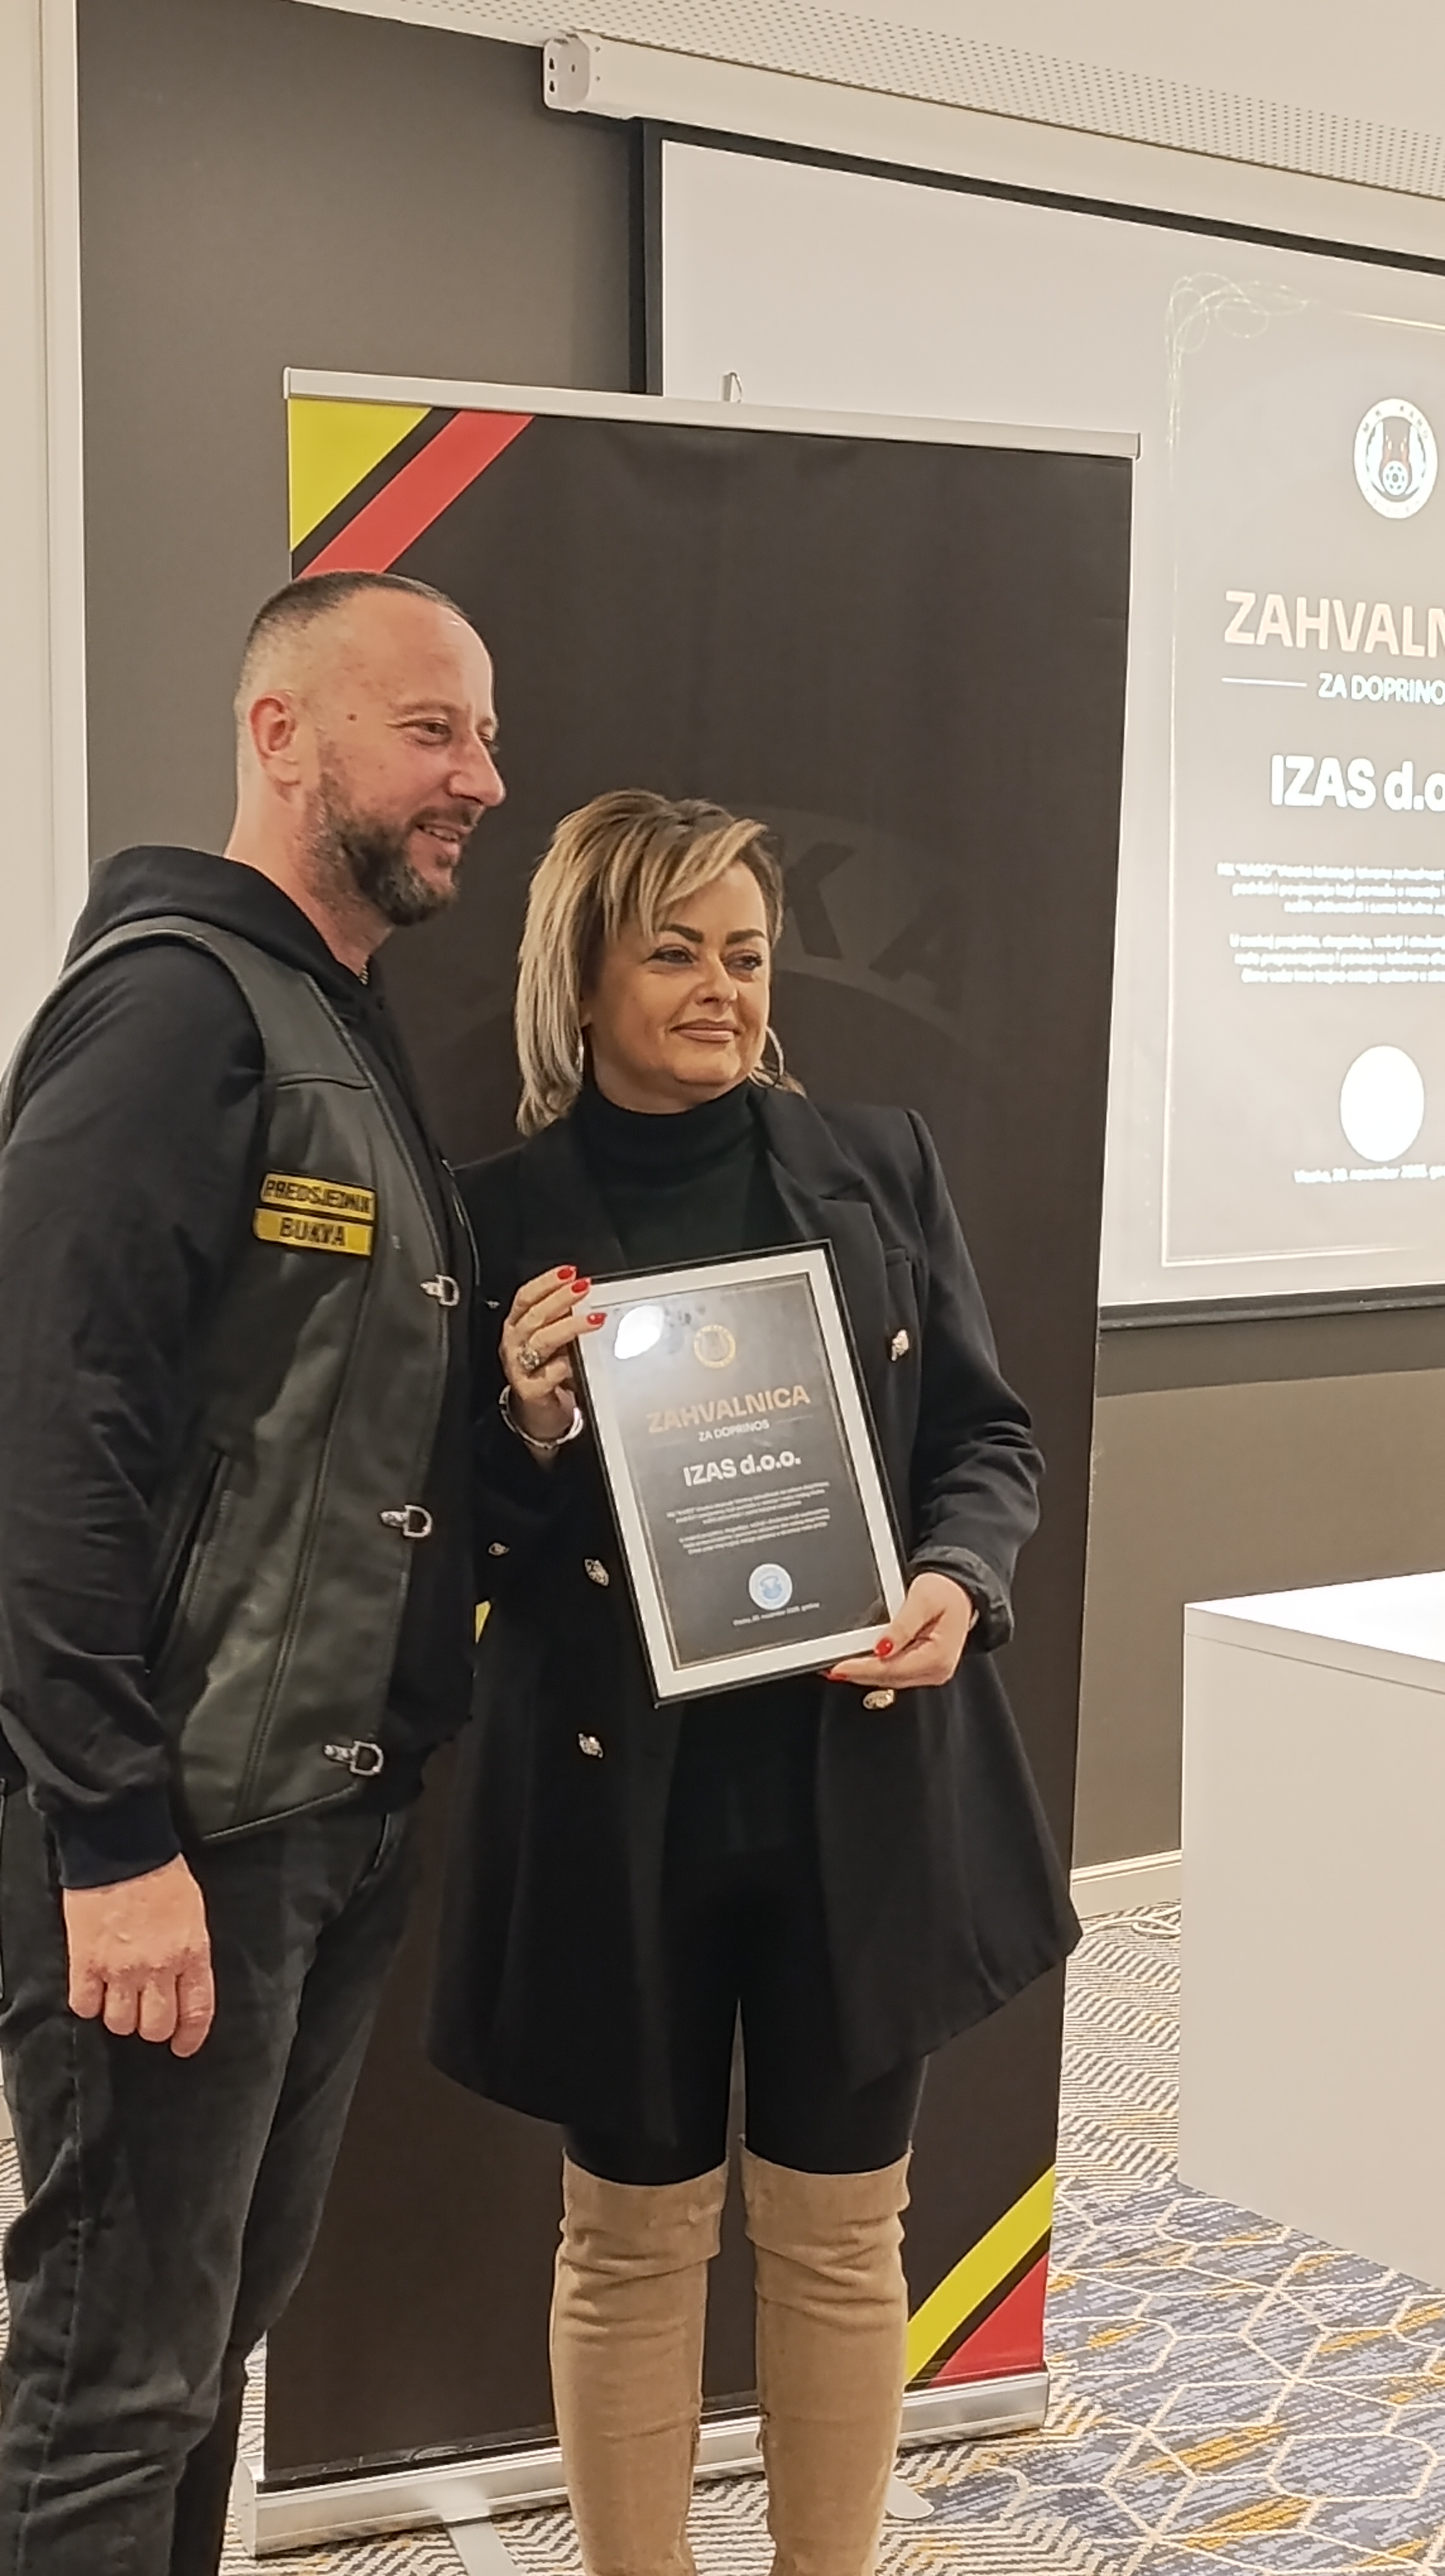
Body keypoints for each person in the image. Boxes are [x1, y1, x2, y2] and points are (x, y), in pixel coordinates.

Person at [429, 788, 1078, 2576]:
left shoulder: (879, 1165)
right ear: (582, 971)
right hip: (616, 1809)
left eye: (746, 953)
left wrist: (957, 1579)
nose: (722, 988)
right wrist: (528, 1423)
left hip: (848, 1787)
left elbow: (985, 1440)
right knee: (629, 2246)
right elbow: (443, 1545)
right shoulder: (489, 1221)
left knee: (844, 2236)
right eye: (675, 953)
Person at [0, 568, 504, 2572]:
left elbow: (302, 1419)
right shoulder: (170, 1013)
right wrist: (112, 1837)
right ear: (280, 734)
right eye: (433, 729)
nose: (482, 777)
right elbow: (49, 1437)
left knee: (199, 2355)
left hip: (317, 1820)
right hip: (180, 1840)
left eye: (483, 734)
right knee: (113, 2382)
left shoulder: (328, 1018)